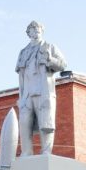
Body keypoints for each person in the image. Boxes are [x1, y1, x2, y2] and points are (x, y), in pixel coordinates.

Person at [15, 20, 67, 156]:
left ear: (42, 31)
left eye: (38, 28)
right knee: (24, 123)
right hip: (26, 93)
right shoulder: (23, 52)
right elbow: (20, 75)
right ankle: (26, 151)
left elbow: (62, 64)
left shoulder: (49, 47)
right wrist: (20, 96)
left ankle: (46, 151)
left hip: (43, 91)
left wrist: (50, 61)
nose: (36, 30)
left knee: (46, 122)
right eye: (33, 28)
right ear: (28, 33)